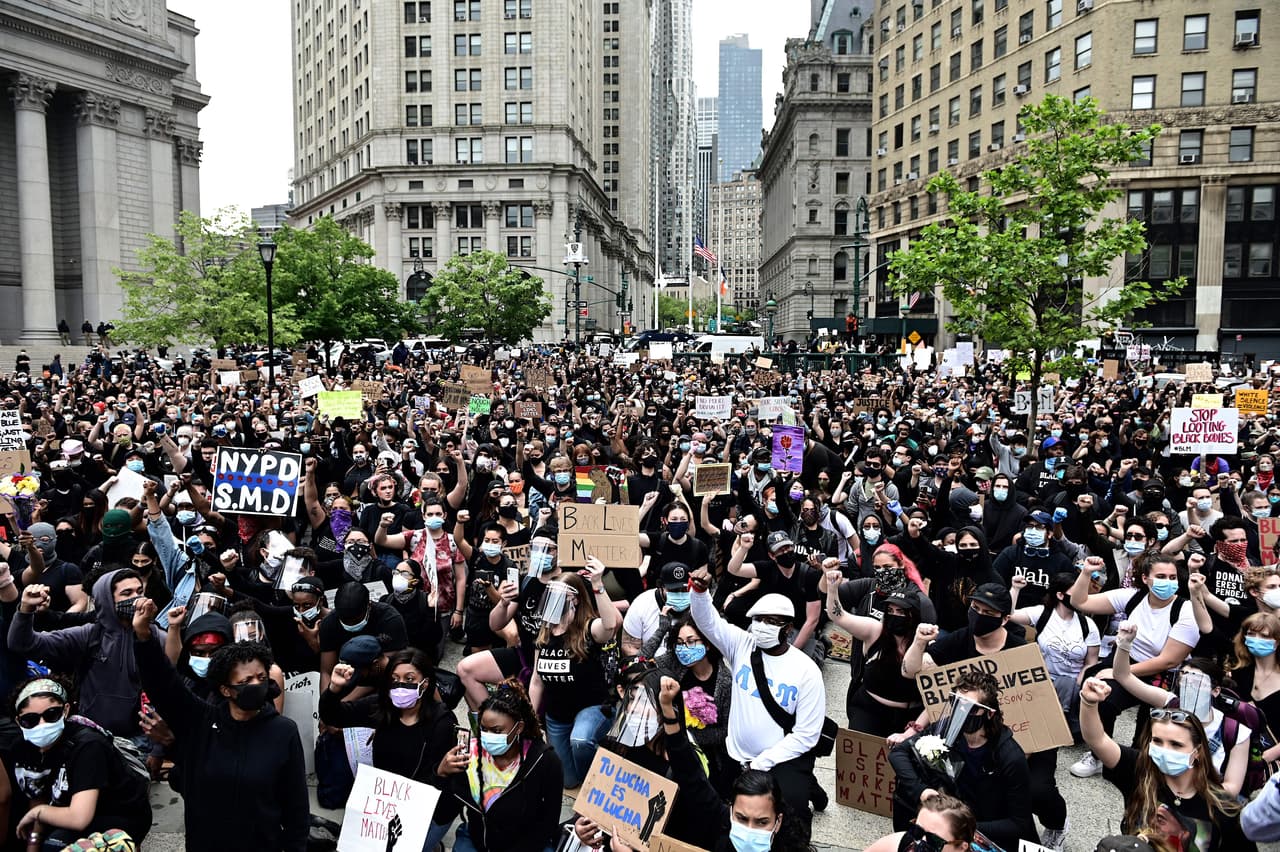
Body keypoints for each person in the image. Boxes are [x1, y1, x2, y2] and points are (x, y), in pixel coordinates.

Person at [131, 596, 309, 852]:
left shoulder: (283, 731)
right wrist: (143, 634)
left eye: (261, 677)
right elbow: (164, 685)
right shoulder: (201, 721)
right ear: (226, 690)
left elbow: (297, 808)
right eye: (246, 681)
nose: (256, 685)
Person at [690, 567, 826, 831]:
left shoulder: (806, 671)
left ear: (788, 628)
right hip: (737, 753)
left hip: (782, 759)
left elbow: (807, 734)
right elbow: (707, 622)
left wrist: (763, 763)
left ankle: (807, 790)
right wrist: (699, 592)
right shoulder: (741, 645)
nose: (763, 626)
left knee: (790, 814)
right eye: (759, 619)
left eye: (772, 621)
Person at [1079, 676, 1254, 852]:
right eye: (1157, 741)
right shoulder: (1140, 769)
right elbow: (1098, 739)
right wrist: (1089, 702)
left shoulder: (1224, 807)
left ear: (1198, 752)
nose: (1165, 750)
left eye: (1176, 744)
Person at [322, 648, 458, 849]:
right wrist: (334, 690)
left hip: (431, 808)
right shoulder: (382, 707)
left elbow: (442, 786)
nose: (401, 685)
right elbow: (333, 716)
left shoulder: (442, 723)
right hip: (386, 803)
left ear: (425, 684)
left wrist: (439, 772)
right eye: (395, 678)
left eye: (409, 679)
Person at [889, 670, 1038, 851]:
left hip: (983, 832)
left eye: (971, 708)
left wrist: (961, 827)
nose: (962, 712)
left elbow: (1019, 823)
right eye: (956, 703)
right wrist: (920, 790)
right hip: (950, 819)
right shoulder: (947, 730)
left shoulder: (1010, 757)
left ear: (989, 714)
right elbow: (899, 753)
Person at [9, 569, 160, 740]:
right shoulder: (90, 636)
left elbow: (169, 690)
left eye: (139, 592)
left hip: (141, 739)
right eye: (127, 593)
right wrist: (25, 609)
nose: (137, 598)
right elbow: (22, 644)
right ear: (108, 600)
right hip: (92, 737)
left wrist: (158, 750)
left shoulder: (155, 636)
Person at [8, 676, 152, 850]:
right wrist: (34, 840)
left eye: (51, 715)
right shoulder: (23, 747)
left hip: (118, 813)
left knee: (55, 846)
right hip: (65, 810)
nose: (42, 724)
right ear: (19, 721)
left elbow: (79, 818)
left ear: (66, 710)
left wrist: (38, 813)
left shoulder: (88, 745)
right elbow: (37, 799)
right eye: (30, 720)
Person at [436, 680, 564, 852]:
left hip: (526, 845)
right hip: (477, 840)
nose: (488, 736)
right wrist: (441, 775)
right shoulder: (468, 756)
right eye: (483, 729)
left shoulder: (545, 761)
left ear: (518, 728)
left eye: (496, 731)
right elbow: (443, 813)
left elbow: (548, 822)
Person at [527, 560, 619, 788]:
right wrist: (530, 716)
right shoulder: (546, 633)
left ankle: (599, 783)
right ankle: (588, 771)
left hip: (592, 708)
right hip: (557, 716)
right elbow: (537, 680)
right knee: (568, 781)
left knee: (580, 741)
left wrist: (597, 583)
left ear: (574, 599)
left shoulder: (589, 629)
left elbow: (610, 625)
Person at [863, 792, 977, 852]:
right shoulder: (900, 843)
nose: (919, 842)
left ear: (962, 847)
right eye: (916, 831)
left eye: (934, 840)